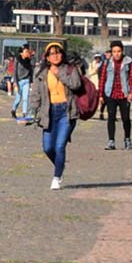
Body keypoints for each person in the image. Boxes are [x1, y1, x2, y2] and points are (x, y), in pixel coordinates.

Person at [30, 42, 84, 189]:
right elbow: (35, 93)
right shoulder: (41, 73)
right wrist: (33, 111)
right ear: (47, 57)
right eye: (52, 53)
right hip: (49, 112)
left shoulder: (70, 69)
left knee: (60, 146)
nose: (56, 56)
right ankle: (59, 166)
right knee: (48, 148)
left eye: (58, 52)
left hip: (66, 112)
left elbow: (76, 85)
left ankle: (56, 176)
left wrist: (59, 73)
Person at [98, 41, 132, 150]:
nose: (117, 54)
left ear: (122, 51)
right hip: (110, 93)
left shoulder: (128, 62)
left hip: (124, 94)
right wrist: (101, 95)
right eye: (114, 51)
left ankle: (127, 139)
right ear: (111, 52)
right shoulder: (107, 63)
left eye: (119, 51)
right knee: (111, 117)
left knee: (126, 118)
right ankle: (111, 141)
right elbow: (102, 79)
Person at [12, 44, 34, 122]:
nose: (27, 53)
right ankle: (13, 110)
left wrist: (31, 81)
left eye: (28, 51)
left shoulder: (29, 61)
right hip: (19, 81)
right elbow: (14, 71)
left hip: (26, 81)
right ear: (22, 53)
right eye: (25, 51)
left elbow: (31, 71)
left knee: (25, 98)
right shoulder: (17, 59)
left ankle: (25, 113)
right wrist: (15, 83)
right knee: (18, 99)